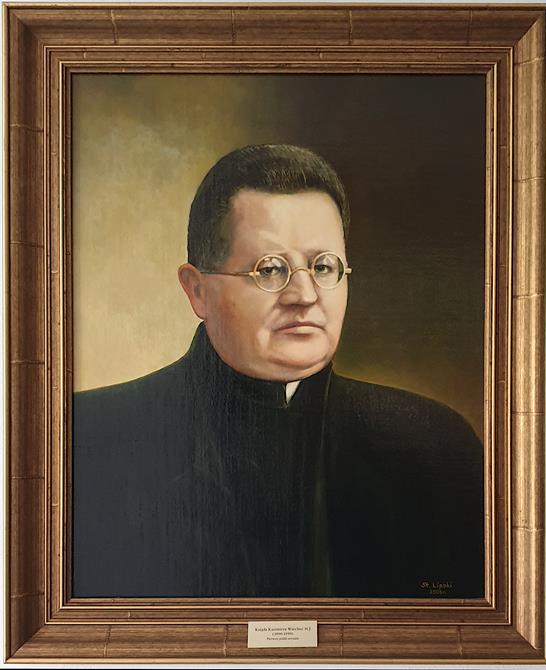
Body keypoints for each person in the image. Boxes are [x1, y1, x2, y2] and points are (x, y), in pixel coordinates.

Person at [73, 144, 484, 599]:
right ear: (197, 291)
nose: (304, 295)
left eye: (323, 266)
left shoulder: (435, 448)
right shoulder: (88, 438)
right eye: (270, 270)